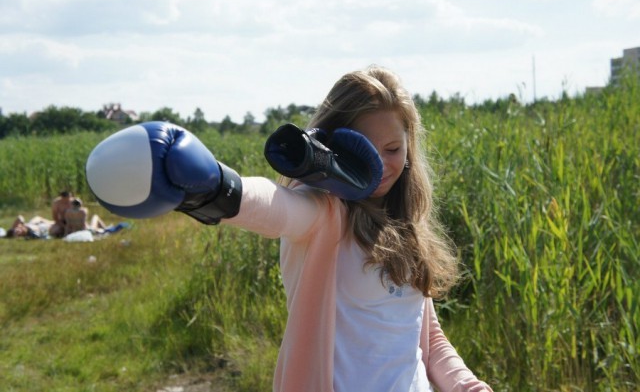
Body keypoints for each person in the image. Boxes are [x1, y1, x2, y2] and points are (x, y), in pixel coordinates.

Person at [86, 66, 493, 392]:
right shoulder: (325, 212)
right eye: (367, 151)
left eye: (393, 150)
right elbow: (277, 208)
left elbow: (424, 338)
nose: (383, 165)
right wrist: (218, 188)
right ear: (338, 147)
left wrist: (468, 386)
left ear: (409, 146)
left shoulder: (404, 223)